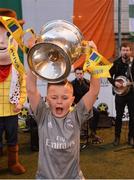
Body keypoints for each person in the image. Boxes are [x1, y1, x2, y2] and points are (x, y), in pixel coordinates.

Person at [26, 50, 100, 179]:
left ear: (72, 100)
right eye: (54, 97)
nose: (59, 101)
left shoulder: (76, 116)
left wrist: (94, 58)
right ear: (47, 99)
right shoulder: (43, 115)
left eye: (65, 98)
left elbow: (93, 92)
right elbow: (31, 90)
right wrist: (34, 54)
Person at [0, 8, 26, 174]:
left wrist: (20, 102)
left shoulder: (18, 68)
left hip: (11, 111)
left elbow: (23, 89)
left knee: (12, 138)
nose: (2, 42)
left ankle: (12, 162)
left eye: (8, 36)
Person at [108, 42, 134, 146]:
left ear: (130, 51)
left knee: (133, 116)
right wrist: (114, 82)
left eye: (127, 50)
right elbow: (108, 75)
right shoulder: (116, 63)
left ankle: (131, 137)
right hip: (120, 95)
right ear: (120, 51)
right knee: (118, 116)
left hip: (132, 94)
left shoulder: (133, 63)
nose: (125, 52)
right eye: (123, 50)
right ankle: (117, 138)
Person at [71, 67, 104, 144]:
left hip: (87, 105)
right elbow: (70, 98)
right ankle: (77, 134)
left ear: (83, 74)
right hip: (76, 105)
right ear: (75, 75)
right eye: (77, 74)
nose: (79, 75)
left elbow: (94, 95)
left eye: (81, 73)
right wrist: (74, 105)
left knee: (96, 112)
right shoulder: (71, 84)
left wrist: (90, 104)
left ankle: (93, 132)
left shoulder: (88, 82)